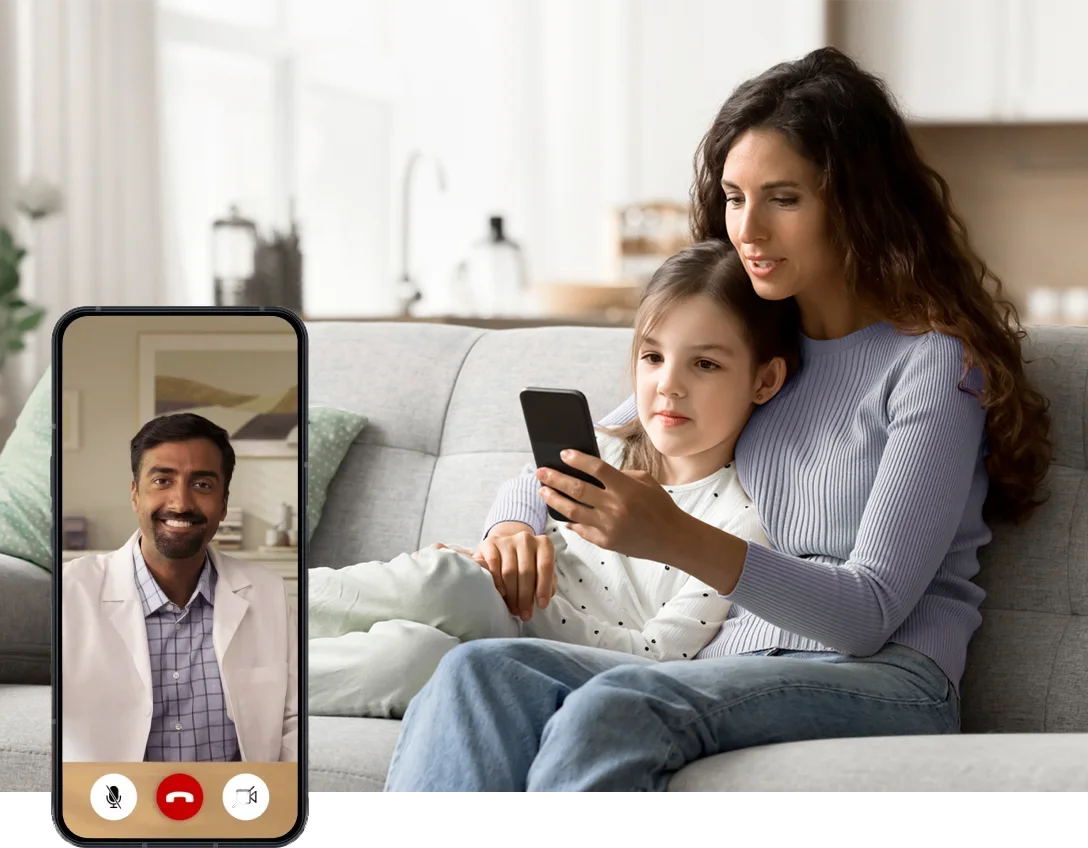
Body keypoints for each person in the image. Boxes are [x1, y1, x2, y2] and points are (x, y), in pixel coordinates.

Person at [383, 46, 1052, 791]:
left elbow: (868, 615)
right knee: (478, 670)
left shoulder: (930, 364)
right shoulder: (752, 351)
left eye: (784, 198)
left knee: (616, 704)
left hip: (889, 675)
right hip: (735, 665)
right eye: (735, 197)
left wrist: (671, 534)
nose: (749, 230)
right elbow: (569, 467)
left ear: (859, 202)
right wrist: (512, 530)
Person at [306, 240, 799, 718]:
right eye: (653, 357)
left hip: (543, 652)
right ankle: (248, 621)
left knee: (416, 661)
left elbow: (656, 657)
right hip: (489, 609)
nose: (668, 384)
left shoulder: (737, 527)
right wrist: (503, 546)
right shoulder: (604, 451)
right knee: (444, 593)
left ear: (764, 380)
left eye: (705, 364)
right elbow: (527, 487)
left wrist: (513, 599)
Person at [61, 413, 299, 763]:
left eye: (202, 485)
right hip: (112, 805)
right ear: (135, 495)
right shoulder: (69, 593)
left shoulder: (267, 592)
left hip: (238, 807)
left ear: (223, 504)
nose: (181, 503)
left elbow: (291, 721)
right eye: (161, 480)